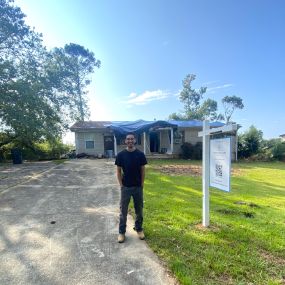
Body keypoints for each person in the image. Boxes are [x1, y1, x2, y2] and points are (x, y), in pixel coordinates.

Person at [115, 132, 147, 243]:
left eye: (132, 139)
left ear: (135, 140)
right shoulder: (120, 155)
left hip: (138, 187)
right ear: (125, 141)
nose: (130, 141)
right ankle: (121, 232)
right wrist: (121, 185)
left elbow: (143, 170)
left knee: (139, 210)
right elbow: (118, 171)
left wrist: (142, 184)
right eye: (128, 139)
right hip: (126, 187)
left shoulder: (140, 154)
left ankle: (139, 229)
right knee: (123, 211)